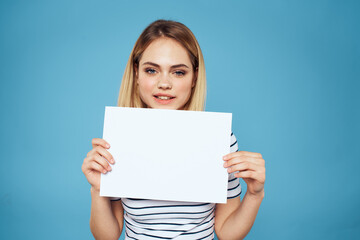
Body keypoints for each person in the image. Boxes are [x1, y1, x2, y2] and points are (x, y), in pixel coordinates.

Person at [81, 19, 266, 240]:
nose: (164, 83)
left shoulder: (219, 139)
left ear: (194, 77)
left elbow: (227, 232)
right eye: (152, 70)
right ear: (137, 74)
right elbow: (107, 236)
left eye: (178, 72)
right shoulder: (119, 137)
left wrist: (255, 194)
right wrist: (97, 190)